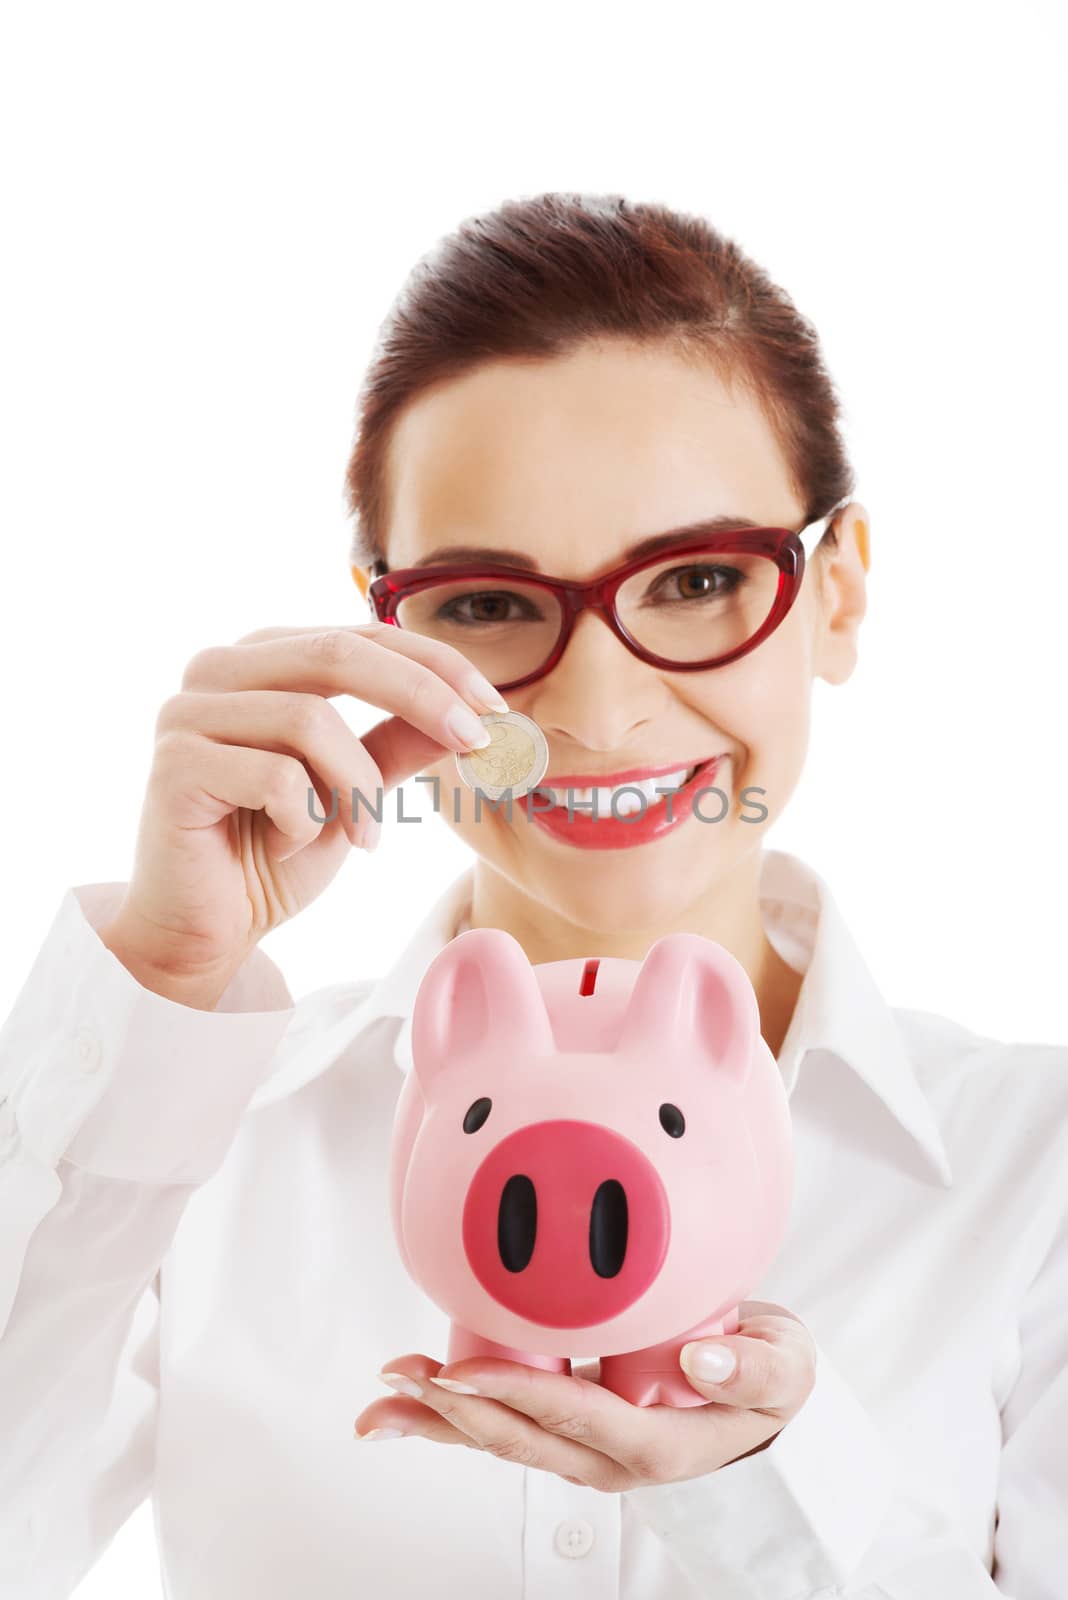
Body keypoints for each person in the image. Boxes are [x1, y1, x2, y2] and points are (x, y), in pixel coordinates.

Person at [0, 192, 1064, 1600]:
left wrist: (765, 1497)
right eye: (491, 604)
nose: (601, 713)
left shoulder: (1033, 1168)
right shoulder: (210, 1131)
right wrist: (161, 980)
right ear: (386, 633)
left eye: (694, 579)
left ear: (839, 598)